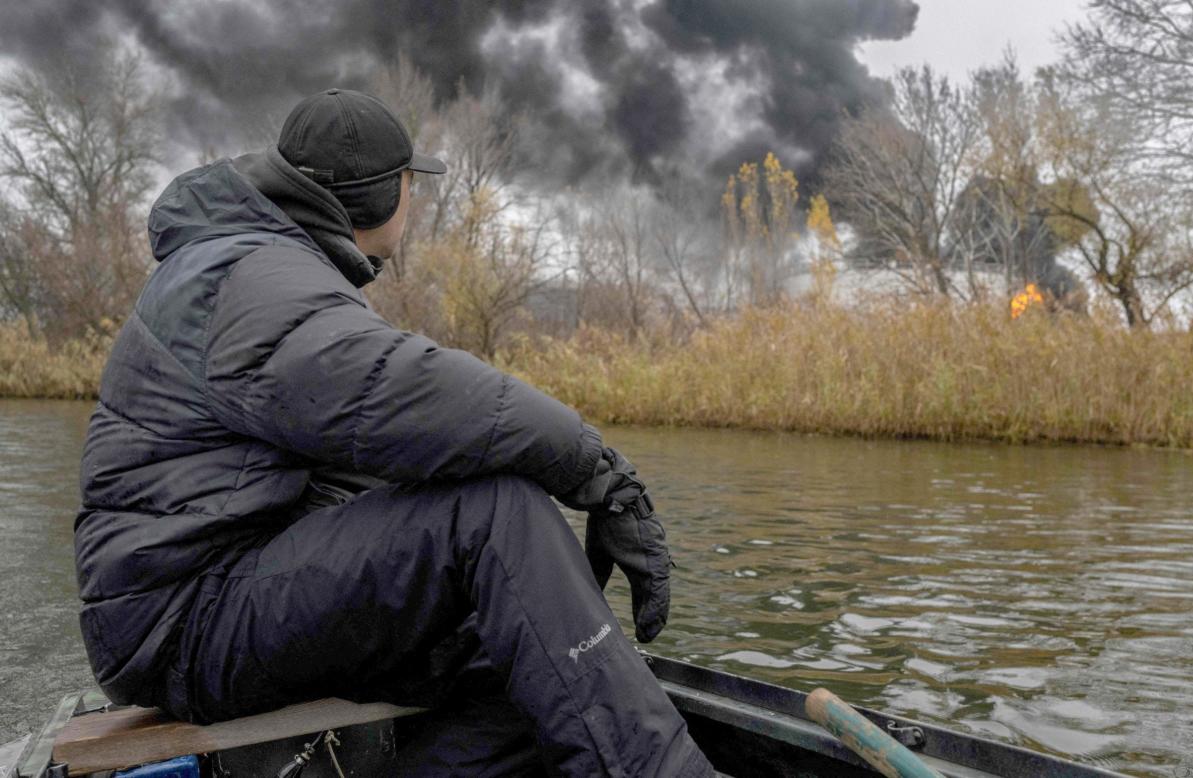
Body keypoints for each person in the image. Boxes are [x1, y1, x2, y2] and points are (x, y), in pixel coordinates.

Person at [74, 88, 713, 777]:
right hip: (184, 625)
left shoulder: (255, 264)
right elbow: (411, 390)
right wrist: (604, 477)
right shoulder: (249, 277)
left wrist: (535, 591)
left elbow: (387, 446)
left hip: (215, 599)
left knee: (519, 645)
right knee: (495, 511)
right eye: (413, 183)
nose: (415, 200)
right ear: (383, 195)